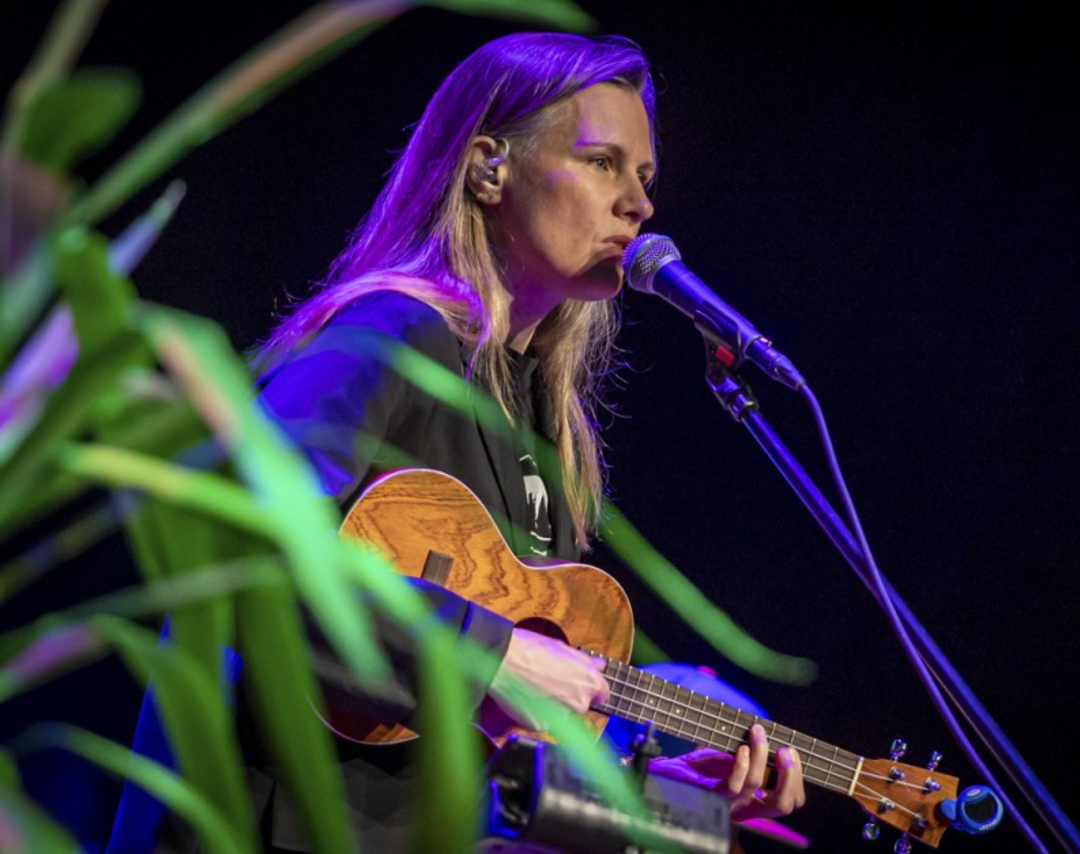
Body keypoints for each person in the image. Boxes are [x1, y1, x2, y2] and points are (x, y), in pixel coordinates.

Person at [121, 32, 805, 851]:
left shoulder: (541, 424)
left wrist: (659, 798)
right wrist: (494, 654)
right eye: (602, 163)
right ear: (488, 168)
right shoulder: (393, 329)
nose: (639, 205)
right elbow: (242, 542)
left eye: (646, 178)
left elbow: (480, 752)